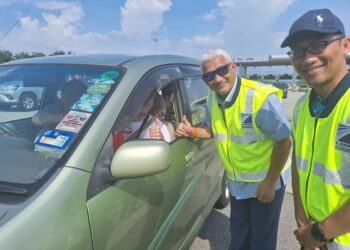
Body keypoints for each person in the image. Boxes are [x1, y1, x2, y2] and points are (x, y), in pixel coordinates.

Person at [176, 48, 292, 250]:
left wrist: (270, 181)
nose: (217, 78)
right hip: (237, 183)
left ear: (233, 67)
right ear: (204, 80)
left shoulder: (260, 98)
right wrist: (192, 131)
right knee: (239, 236)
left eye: (222, 70)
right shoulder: (213, 98)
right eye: (209, 75)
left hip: (264, 182)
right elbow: (213, 130)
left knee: (262, 241)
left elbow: (284, 140)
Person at [281, 8, 350, 249]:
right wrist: (303, 224)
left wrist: (320, 233)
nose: (307, 58)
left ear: (345, 45)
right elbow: (299, 166)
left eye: (319, 44)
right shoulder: (301, 107)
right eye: (298, 51)